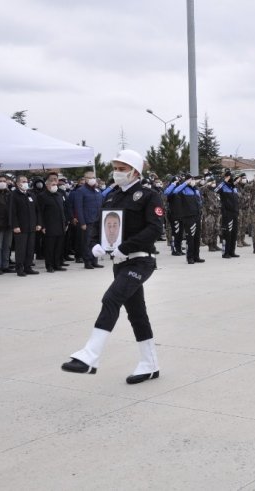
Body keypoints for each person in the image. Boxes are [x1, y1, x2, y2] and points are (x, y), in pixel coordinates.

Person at [61, 149, 164, 384]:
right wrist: (96, 244)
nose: (117, 173)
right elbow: (100, 223)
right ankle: (150, 364)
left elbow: (155, 228)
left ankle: (89, 356)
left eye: (122, 169)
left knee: (111, 298)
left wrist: (126, 247)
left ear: (135, 172)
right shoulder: (112, 196)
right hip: (119, 262)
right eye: (115, 168)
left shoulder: (149, 196)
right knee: (137, 314)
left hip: (140, 259)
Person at [165, 174, 205, 264]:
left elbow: (200, 201)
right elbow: (168, 192)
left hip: (197, 215)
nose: (193, 181)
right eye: (191, 179)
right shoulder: (183, 189)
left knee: (197, 237)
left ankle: (196, 256)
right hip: (188, 216)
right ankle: (190, 257)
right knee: (190, 237)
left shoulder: (196, 189)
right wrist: (184, 183)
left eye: (193, 179)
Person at [9, 175, 41, 276]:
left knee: (30, 248)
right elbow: (12, 212)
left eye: (26, 181)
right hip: (20, 227)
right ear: (18, 183)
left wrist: (38, 223)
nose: (25, 183)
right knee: (21, 249)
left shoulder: (30, 195)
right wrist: (15, 225)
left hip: (31, 226)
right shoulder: (13, 195)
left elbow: (37, 211)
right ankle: (19, 268)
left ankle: (28, 267)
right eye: (23, 181)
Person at [37, 172, 69, 272]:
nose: (55, 186)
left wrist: (65, 223)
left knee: (59, 247)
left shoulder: (59, 195)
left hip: (60, 225)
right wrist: (42, 226)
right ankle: (49, 265)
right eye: (52, 184)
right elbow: (40, 212)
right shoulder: (42, 196)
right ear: (47, 185)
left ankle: (57, 264)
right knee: (49, 248)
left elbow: (62, 210)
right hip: (49, 226)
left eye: (55, 184)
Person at [74, 171, 104, 269]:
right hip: (87, 221)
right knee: (87, 242)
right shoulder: (81, 191)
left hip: (98, 220)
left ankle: (94, 260)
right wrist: (82, 222)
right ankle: (87, 261)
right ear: (85, 179)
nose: (92, 179)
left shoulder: (97, 190)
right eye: (90, 177)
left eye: (94, 177)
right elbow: (78, 208)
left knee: (96, 241)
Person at [215, 171, 240, 258]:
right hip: (227, 213)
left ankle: (232, 251)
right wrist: (224, 181)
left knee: (234, 232)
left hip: (235, 212)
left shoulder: (234, 187)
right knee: (227, 233)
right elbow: (215, 190)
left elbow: (237, 199)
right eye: (230, 177)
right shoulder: (223, 186)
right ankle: (225, 252)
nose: (232, 179)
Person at [201, 176, 222, 252]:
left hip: (217, 213)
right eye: (212, 182)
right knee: (210, 229)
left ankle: (215, 244)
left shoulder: (215, 191)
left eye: (214, 182)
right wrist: (207, 184)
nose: (214, 184)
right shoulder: (206, 190)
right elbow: (201, 190)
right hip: (209, 213)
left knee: (216, 229)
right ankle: (210, 245)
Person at [237, 174, 252, 248]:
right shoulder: (237, 187)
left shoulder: (247, 187)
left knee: (244, 225)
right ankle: (238, 240)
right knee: (239, 225)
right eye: (243, 178)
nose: (244, 179)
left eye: (245, 178)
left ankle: (243, 240)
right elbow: (239, 197)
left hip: (246, 208)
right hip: (239, 208)